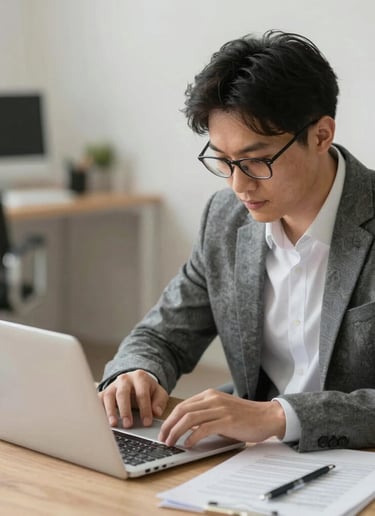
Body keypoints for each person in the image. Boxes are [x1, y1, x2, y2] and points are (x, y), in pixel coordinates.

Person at [98, 30, 375, 452]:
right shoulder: (225, 219)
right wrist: (136, 372)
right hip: (255, 459)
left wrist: (278, 416)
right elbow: (164, 334)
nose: (239, 185)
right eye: (224, 161)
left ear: (321, 136)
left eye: (257, 160)